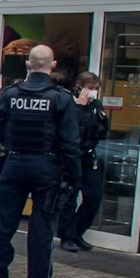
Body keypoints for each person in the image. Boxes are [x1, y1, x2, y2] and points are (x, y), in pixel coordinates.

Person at [0, 45, 80, 278]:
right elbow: (71, 144)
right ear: (53, 65)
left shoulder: (10, 94)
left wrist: (15, 149)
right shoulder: (61, 98)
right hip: (47, 168)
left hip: (14, 164)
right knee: (41, 229)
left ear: (28, 65)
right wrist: (75, 177)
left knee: (4, 224)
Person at [59, 71, 111, 252]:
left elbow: (102, 128)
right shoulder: (69, 103)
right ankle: (66, 236)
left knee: (94, 195)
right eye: (90, 88)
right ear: (79, 86)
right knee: (70, 196)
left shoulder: (96, 105)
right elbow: (70, 130)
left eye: (96, 89)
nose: (93, 92)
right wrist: (80, 108)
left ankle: (76, 232)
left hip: (89, 155)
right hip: (72, 156)